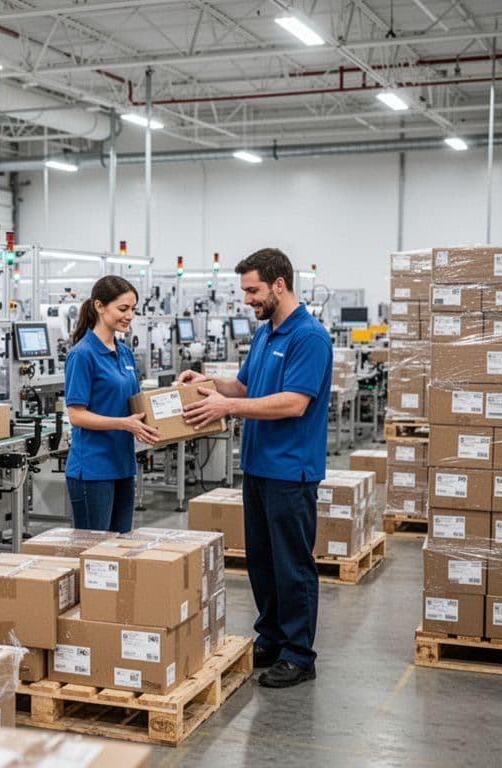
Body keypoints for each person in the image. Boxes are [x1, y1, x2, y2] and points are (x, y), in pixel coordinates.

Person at [176, 247, 332, 689]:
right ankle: (273, 637)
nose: (247, 300)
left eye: (253, 290)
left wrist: (227, 407)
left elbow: (294, 402)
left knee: (292, 564)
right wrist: (206, 383)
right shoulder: (266, 334)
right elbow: (244, 386)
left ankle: (299, 654)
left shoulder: (309, 337)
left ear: (279, 285)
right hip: (260, 466)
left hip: (291, 470)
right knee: (262, 562)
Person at [62, 275, 159, 532]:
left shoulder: (124, 352)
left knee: (120, 546)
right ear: (100, 306)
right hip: (93, 469)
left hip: (123, 465)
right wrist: (124, 424)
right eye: (123, 309)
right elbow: (77, 415)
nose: (129, 316)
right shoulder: (82, 355)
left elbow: (135, 404)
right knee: (95, 548)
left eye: (133, 309)